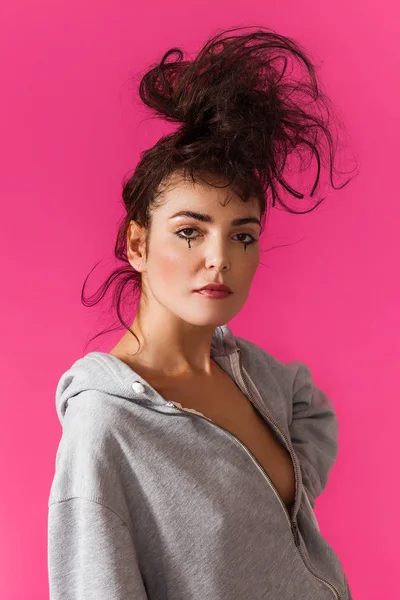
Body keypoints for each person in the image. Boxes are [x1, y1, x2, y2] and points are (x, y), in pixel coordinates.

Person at [47, 25, 356, 599]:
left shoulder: (248, 373)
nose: (219, 260)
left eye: (243, 236)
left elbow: (313, 412)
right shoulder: (106, 429)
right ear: (137, 244)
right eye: (190, 232)